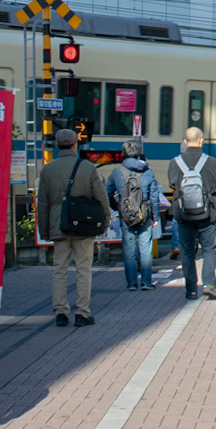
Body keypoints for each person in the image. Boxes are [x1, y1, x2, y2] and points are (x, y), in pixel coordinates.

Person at [38, 128, 110, 328]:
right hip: (83, 226)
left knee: (59, 270)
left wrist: (45, 231)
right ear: (75, 145)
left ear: (57, 145)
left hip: (58, 226)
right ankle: (82, 313)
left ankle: (61, 312)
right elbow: (101, 198)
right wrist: (104, 222)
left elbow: (42, 204)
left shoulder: (47, 170)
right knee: (83, 269)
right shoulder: (87, 168)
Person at [168, 127, 216, 300]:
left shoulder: (175, 162)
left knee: (188, 252)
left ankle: (191, 289)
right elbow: (214, 186)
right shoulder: (212, 161)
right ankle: (209, 284)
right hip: (206, 214)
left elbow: (173, 186)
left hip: (184, 215)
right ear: (201, 141)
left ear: (185, 141)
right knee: (209, 250)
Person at [106, 139, 162, 290]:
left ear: (123, 153)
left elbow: (108, 192)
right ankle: (146, 282)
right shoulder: (148, 172)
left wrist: (118, 207)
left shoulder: (117, 172)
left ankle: (131, 283)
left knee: (129, 251)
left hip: (126, 216)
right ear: (139, 154)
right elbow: (154, 198)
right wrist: (155, 217)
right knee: (146, 250)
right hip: (145, 215)